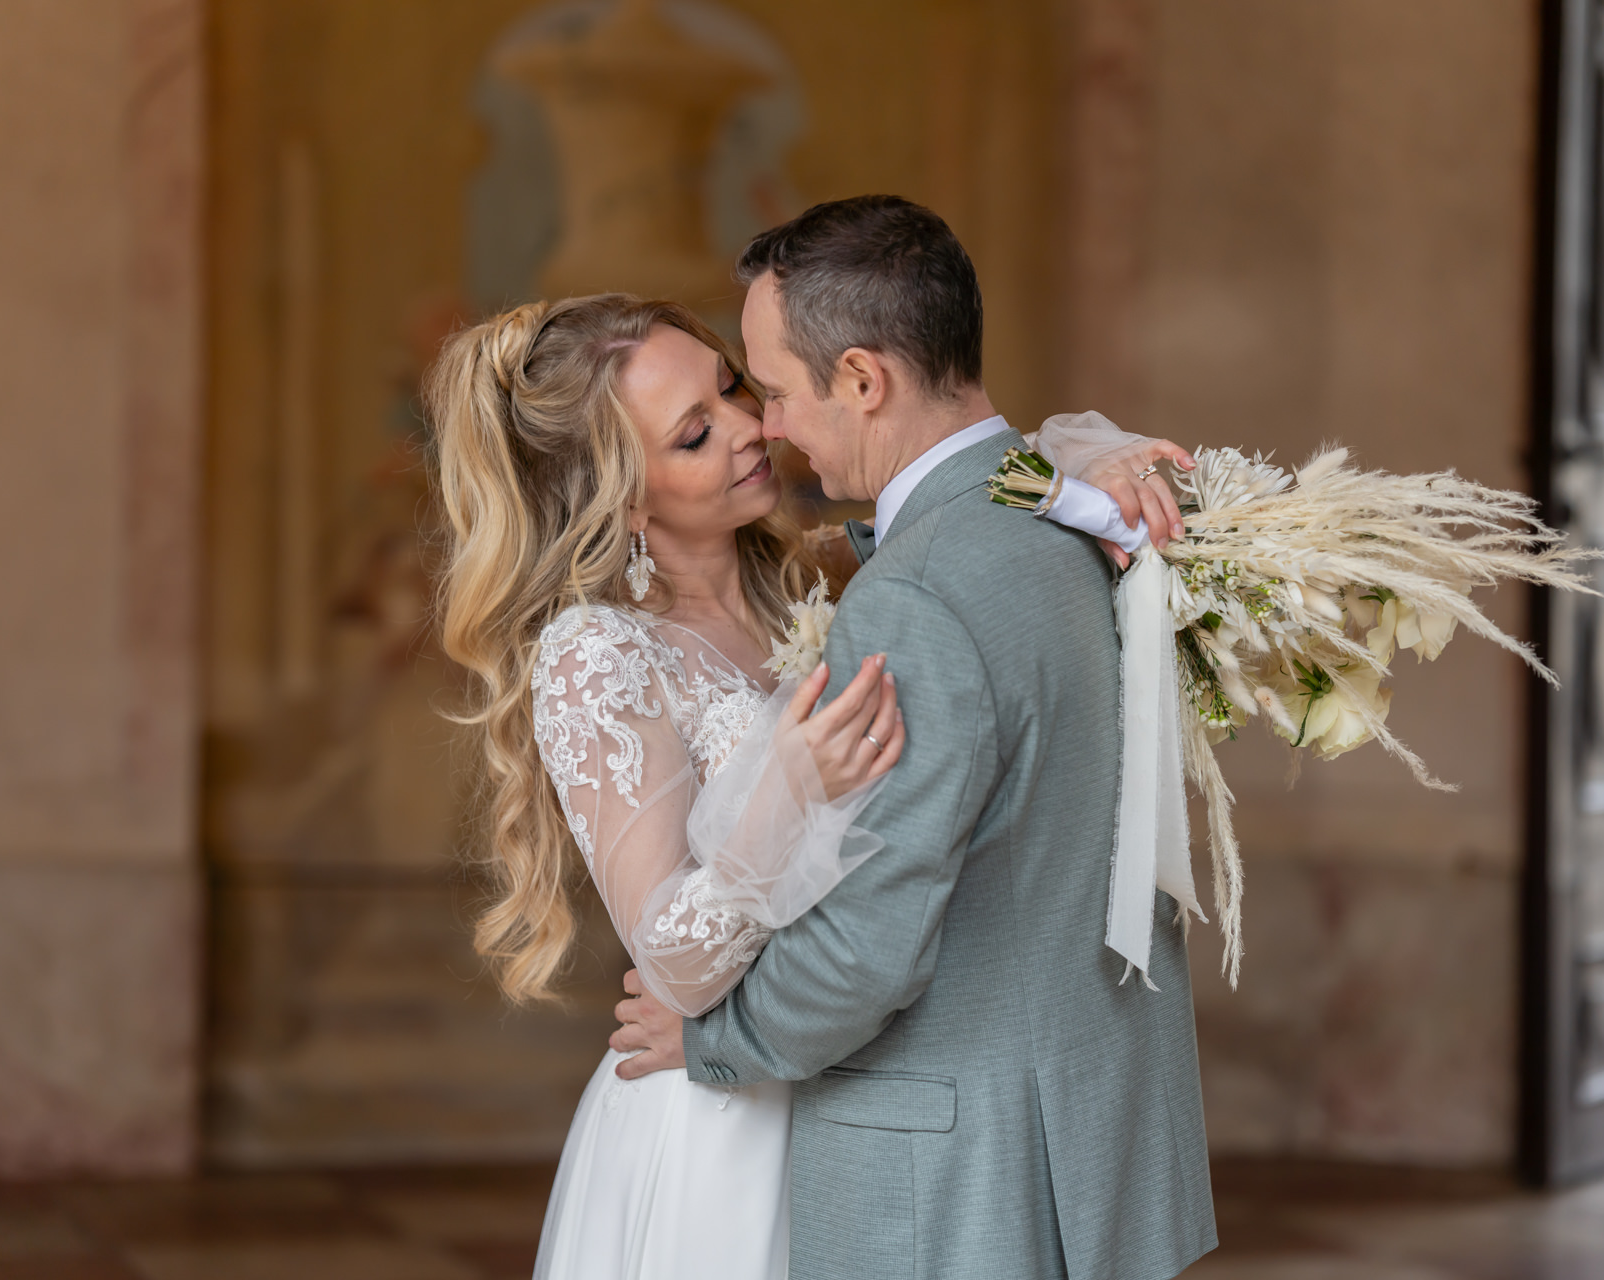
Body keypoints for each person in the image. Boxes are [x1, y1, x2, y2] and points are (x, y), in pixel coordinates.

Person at [427, 214, 1199, 1280]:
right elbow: (668, 959)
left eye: (736, 388)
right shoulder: (598, 653)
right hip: (725, 1114)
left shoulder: (819, 575)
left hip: (861, 1078)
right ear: (622, 495)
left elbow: (965, 497)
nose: (757, 428)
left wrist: (1080, 456)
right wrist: (778, 796)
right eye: (694, 435)